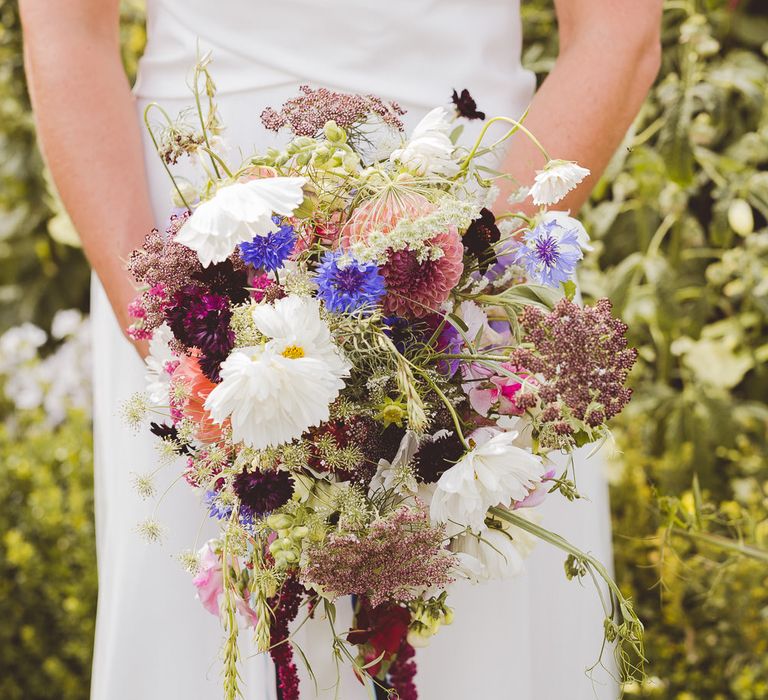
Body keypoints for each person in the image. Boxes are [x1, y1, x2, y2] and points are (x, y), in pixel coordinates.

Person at [20, 1, 662, 698]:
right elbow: (65, 26)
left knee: (481, 608)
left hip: (483, 212)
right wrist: (164, 320)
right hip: (196, 237)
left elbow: (617, 30)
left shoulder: (482, 270)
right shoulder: (179, 303)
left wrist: (471, 283)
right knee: (210, 623)